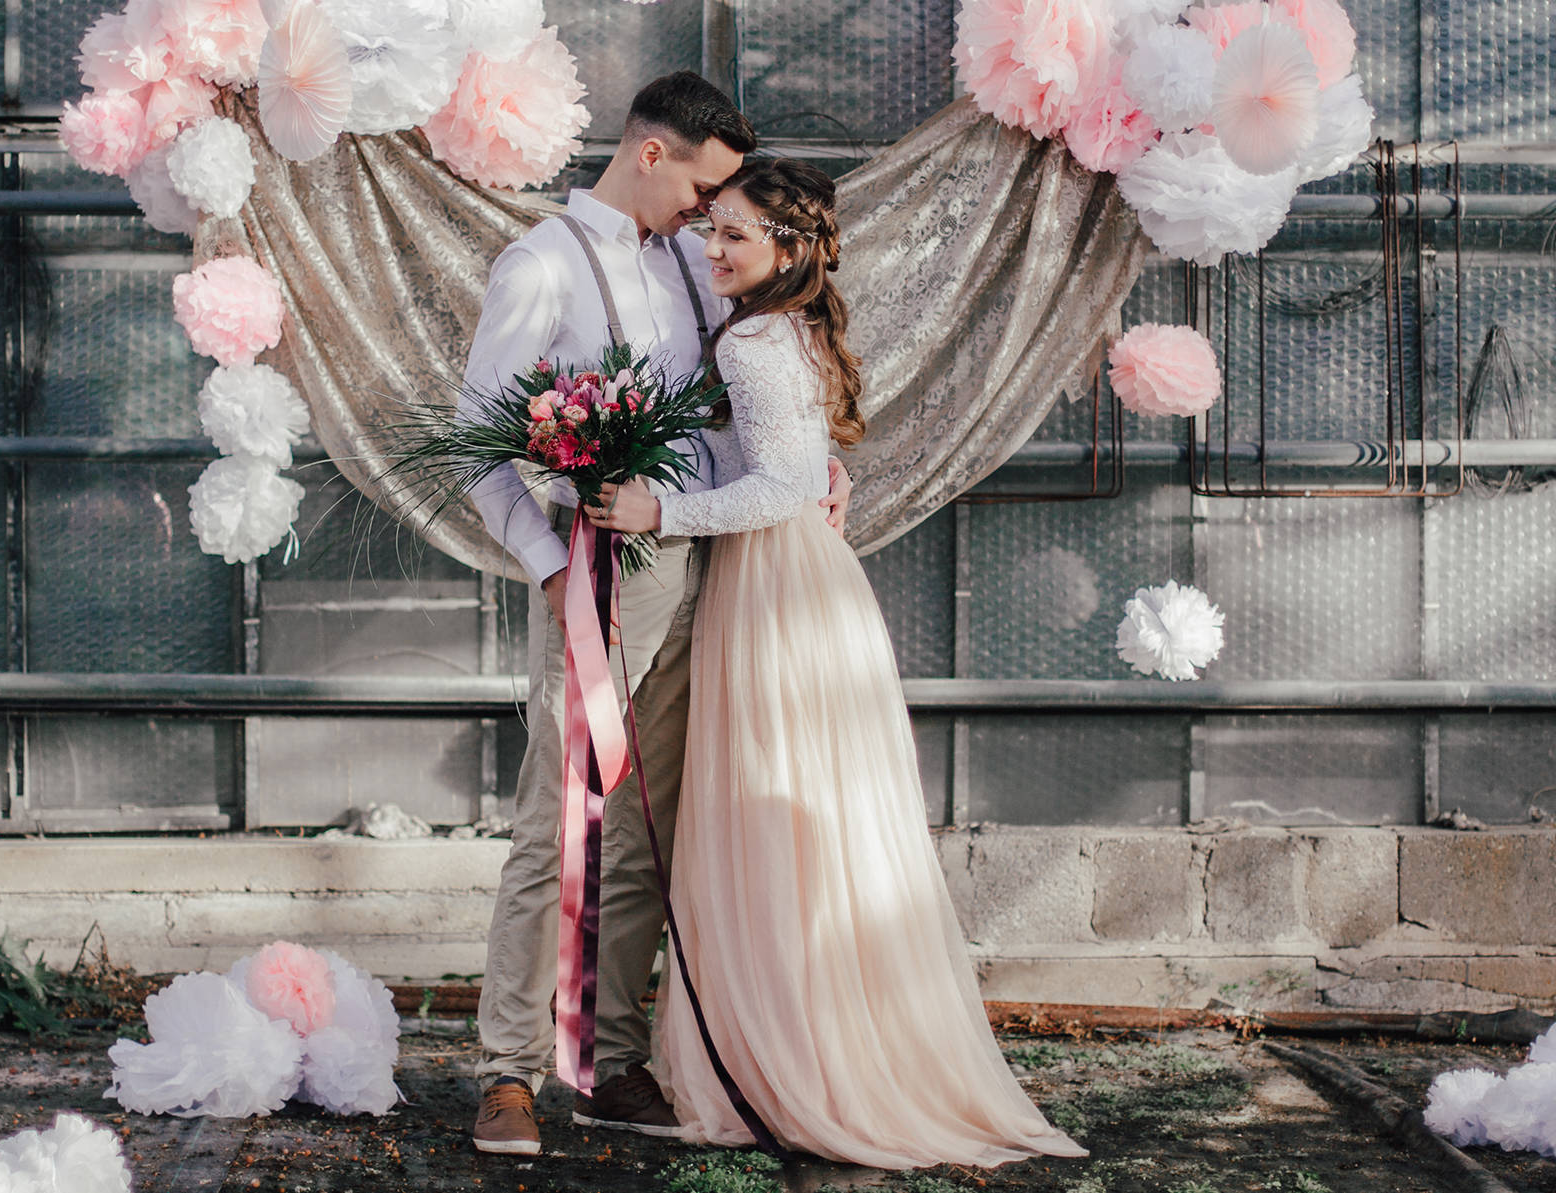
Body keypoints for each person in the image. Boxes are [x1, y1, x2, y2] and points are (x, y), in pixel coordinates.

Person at [586, 158, 1087, 1168]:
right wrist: (819, 468)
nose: (713, 246)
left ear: (788, 250)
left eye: (733, 234)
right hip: (804, 584)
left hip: (773, 589)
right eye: (712, 227)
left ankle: (798, 1060)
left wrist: (658, 509)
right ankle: (822, 1041)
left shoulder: (758, 339)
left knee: (773, 825)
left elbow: (773, 486)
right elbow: (795, 462)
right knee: (811, 830)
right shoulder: (786, 328)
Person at [460, 74, 850, 1157]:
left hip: (708, 565)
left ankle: (605, 1058)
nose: (708, 211)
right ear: (648, 154)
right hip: (604, 574)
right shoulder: (539, 266)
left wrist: (810, 471)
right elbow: (480, 444)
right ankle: (505, 1071)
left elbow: (732, 416)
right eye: (703, 184)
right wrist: (548, 568)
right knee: (558, 826)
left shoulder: (689, 256)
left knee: (646, 829)